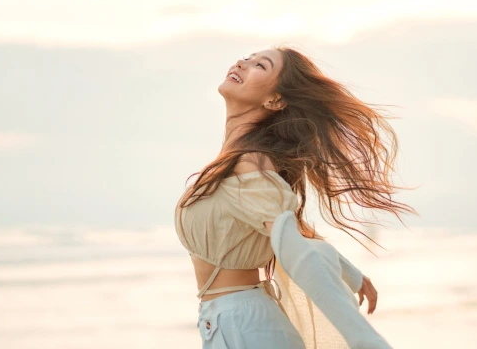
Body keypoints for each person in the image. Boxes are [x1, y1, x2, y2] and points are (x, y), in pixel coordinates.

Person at [174, 46, 418, 348]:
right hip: (230, 322)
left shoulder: (249, 163)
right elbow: (291, 230)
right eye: (247, 57)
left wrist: (366, 341)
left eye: (260, 65)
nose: (242, 62)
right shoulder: (236, 161)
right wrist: (352, 274)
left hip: (245, 327)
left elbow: (293, 249)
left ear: (275, 99)